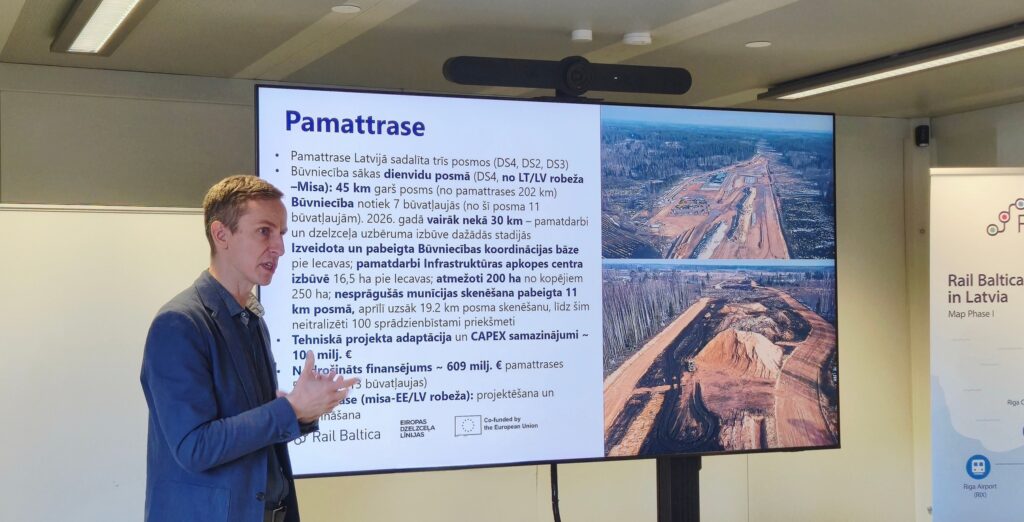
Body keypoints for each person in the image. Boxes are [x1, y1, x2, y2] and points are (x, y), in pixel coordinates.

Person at [140, 175, 357, 522]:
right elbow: (194, 447)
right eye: (264, 231)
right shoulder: (179, 324)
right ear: (221, 234)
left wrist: (302, 412)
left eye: (281, 233)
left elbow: (252, 430)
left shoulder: (252, 320)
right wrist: (290, 408)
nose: (279, 248)